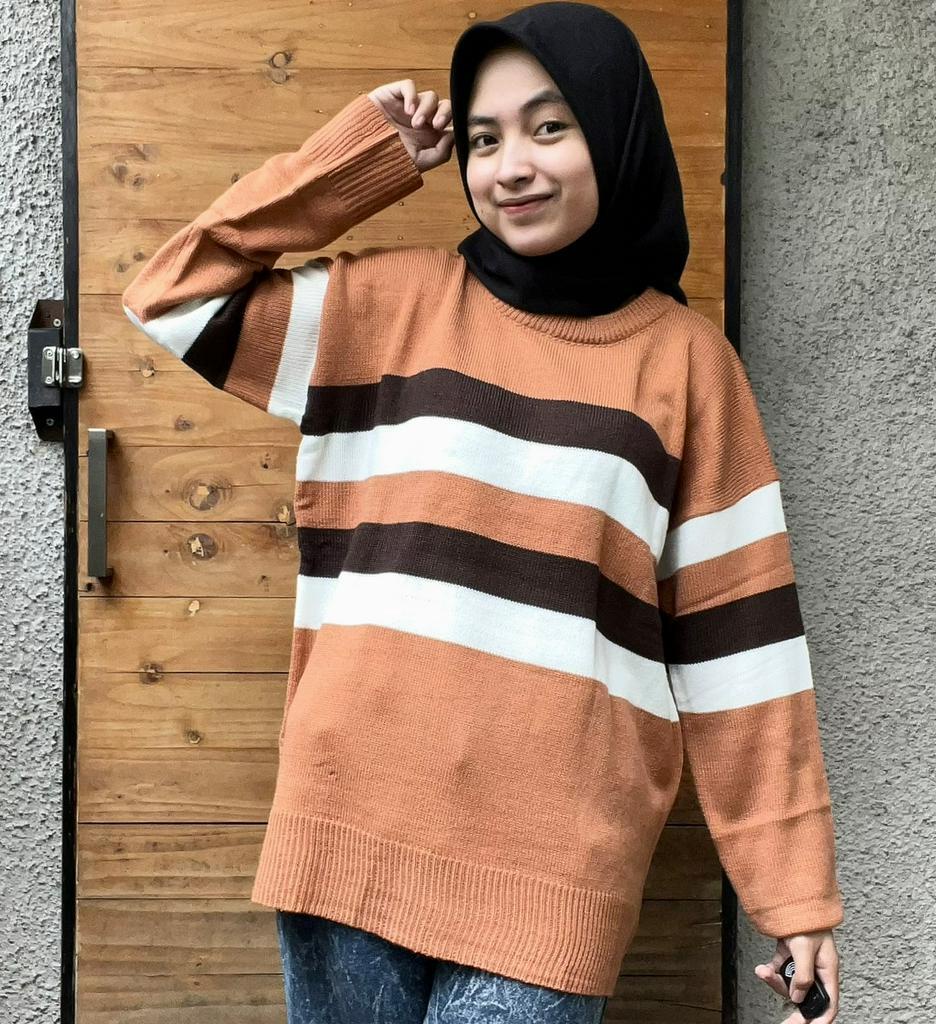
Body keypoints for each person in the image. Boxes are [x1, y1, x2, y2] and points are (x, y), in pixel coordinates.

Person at [120, 3, 844, 1022]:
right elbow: (172, 297)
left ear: (616, 131)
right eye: (485, 138)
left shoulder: (688, 368)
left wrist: (793, 895)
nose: (511, 168)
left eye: (550, 127)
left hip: (554, 865)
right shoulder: (386, 308)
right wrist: (355, 161)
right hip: (349, 821)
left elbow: (741, 648)